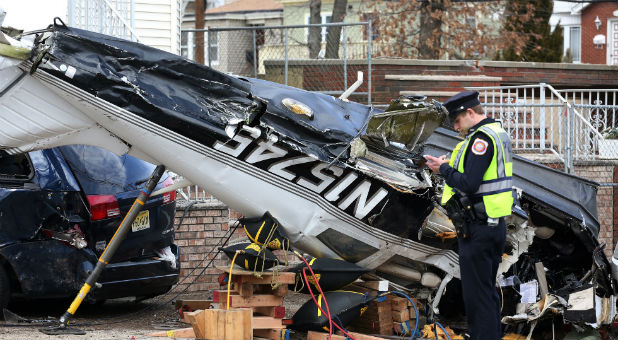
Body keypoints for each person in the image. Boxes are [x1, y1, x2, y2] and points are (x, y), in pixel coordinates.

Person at [424, 91, 513, 340]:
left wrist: (443, 169)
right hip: (492, 225)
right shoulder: (496, 132)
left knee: (477, 298)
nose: (455, 127)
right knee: (486, 292)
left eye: (456, 121)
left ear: (470, 113)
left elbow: (469, 183)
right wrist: (445, 166)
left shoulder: (480, 140)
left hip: (479, 228)